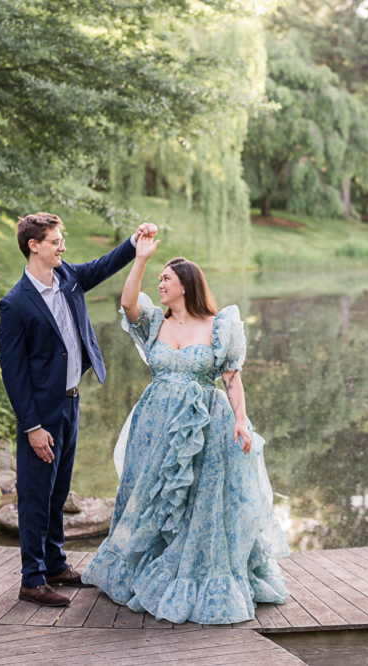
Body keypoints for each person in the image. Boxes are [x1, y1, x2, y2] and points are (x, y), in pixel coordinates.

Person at [81, 235, 289, 624]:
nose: (159, 285)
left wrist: (241, 421)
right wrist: (140, 258)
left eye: (166, 279)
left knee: (198, 502)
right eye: (158, 279)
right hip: (154, 423)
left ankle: (193, 573)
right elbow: (127, 303)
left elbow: (231, 379)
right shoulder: (154, 322)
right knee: (147, 493)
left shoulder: (218, 326)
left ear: (186, 285)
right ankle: (141, 566)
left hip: (204, 426)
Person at [0, 212, 158, 608]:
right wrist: (32, 426)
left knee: (58, 491)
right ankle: (31, 580)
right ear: (34, 246)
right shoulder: (15, 304)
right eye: (55, 241)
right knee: (35, 495)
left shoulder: (68, 278)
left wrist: (134, 245)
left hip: (72, 401)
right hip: (41, 414)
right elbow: (13, 373)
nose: (62, 246)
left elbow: (102, 267)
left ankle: (54, 564)